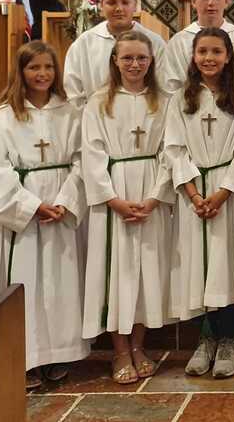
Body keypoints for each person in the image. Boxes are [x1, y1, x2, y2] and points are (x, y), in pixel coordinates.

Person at [0, 41, 89, 390]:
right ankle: (23, 357)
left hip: (60, 206)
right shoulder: (5, 116)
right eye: (34, 67)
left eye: (48, 67)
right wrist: (31, 205)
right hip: (25, 212)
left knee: (59, 283)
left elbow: (81, 161)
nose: (42, 74)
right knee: (24, 283)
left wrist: (66, 200)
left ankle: (57, 353)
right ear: (21, 71)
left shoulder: (69, 112)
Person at [164, 28, 234, 379]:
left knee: (228, 265)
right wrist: (193, 194)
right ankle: (205, 339)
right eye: (202, 51)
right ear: (193, 56)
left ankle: (229, 340)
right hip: (194, 193)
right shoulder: (181, 99)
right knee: (200, 265)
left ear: (228, 56)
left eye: (216, 51)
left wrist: (222, 193)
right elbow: (173, 148)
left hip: (227, 193)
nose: (209, 58)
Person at [81, 31, 172, 385]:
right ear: (115, 62)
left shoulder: (163, 101)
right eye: (128, 58)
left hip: (150, 192)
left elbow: (170, 151)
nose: (135, 64)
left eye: (141, 58)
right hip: (115, 193)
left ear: (151, 62)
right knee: (117, 271)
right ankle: (119, 350)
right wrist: (113, 199)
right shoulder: (99, 102)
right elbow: (91, 155)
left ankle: (138, 345)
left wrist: (155, 196)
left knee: (147, 270)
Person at [64, 0, 167, 108]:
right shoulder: (84, 44)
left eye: (125, 2)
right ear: (101, 5)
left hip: (144, 115)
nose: (119, 8)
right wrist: (92, 116)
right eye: (112, 2)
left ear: (135, 5)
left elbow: (163, 86)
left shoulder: (155, 43)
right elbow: (73, 92)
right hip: (96, 115)